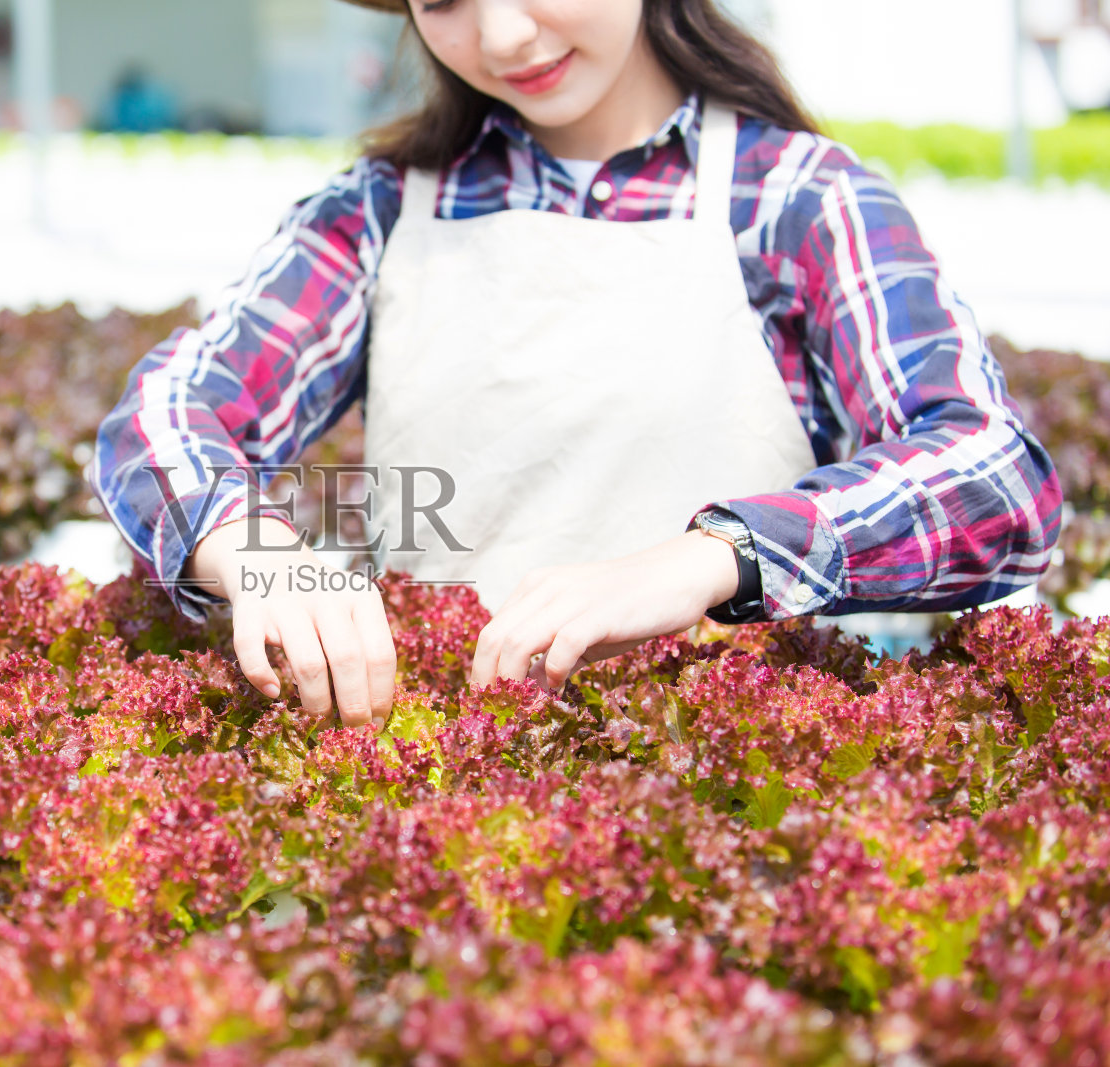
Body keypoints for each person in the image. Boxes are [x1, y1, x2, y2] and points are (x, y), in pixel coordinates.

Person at [90, 0, 1062, 729]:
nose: (504, 36)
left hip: (726, 789)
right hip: (449, 791)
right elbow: (169, 414)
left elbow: (993, 475)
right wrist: (261, 557)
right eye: (443, 1)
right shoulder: (378, 215)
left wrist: (710, 557)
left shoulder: (799, 200)